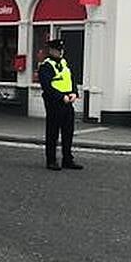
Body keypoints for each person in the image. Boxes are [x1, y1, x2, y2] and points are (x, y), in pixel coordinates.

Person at [38, 39, 83, 170]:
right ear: (52, 51)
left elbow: (70, 79)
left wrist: (74, 92)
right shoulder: (46, 66)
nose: (61, 52)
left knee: (68, 132)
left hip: (68, 101)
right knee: (52, 133)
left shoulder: (64, 63)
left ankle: (67, 159)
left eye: (61, 50)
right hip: (54, 103)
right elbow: (47, 86)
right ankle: (51, 160)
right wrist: (60, 96)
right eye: (58, 50)